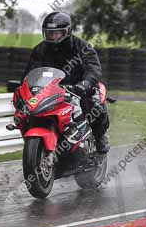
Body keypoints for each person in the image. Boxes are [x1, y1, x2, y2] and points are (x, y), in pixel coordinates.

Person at [24, 11, 111, 153]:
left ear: (67, 31)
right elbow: (30, 72)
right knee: (27, 110)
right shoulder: (40, 50)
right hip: (50, 90)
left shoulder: (82, 47)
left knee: (93, 106)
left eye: (57, 33)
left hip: (78, 87)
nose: (53, 36)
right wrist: (23, 86)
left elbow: (93, 69)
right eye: (50, 33)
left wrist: (85, 84)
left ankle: (100, 136)